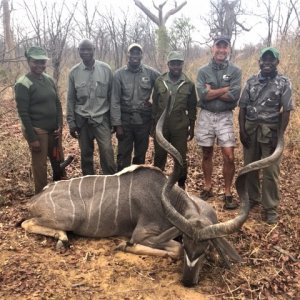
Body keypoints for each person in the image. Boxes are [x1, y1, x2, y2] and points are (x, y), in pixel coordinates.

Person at [238, 47, 294, 224]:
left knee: (270, 171)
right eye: (264, 59)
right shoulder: (251, 81)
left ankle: (270, 207)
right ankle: (253, 199)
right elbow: (243, 108)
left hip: (270, 131)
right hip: (251, 129)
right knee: (250, 166)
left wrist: (280, 135)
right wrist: (242, 130)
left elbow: (286, 111)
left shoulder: (284, 83)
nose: (267, 62)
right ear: (259, 62)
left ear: (277, 62)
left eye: (271, 59)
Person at [195, 35, 242, 209]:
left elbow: (233, 96)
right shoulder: (202, 71)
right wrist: (224, 89)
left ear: (228, 49)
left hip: (224, 116)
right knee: (206, 153)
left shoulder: (235, 71)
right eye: (218, 46)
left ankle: (228, 192)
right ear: (212, 48)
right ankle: (208, 187)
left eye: (225, 47)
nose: (221, 50)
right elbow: (203, 95)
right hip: (206, 115)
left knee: (229, 155)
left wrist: (212, 91)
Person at [14, 46, 64, 194]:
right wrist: (32, 138)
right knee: (40, 166)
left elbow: (57, 103)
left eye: (42, 62)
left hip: (53, 130)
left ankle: (58, 193)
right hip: (38, 130)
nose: (39, 65)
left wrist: (60, 125)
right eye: (36, 62)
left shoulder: (49, 79)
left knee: (58, 161)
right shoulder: (23, 83)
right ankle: (41, 197)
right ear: (29, 61)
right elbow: (23, 113)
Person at [67, 39, 116, 175]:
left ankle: (110, 183)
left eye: (89, 49)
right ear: (78, 51)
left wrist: (114, 121)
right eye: (82, 49)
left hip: (102, 119)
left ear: (94, 50)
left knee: (107, 152)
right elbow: (70, 99)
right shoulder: (74, 72)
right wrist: (71, 122)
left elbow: (112, 97)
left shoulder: (105, 69)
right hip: (82, 119)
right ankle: (89, 186)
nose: (86, 52)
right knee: (86, 155)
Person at [110, 43, 160, 171]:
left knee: (140, 156)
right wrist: (117, 125)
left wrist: (153, 101)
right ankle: (122, 184)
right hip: (125, 120)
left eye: (138, 53)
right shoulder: (119, 75)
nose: (135, 56)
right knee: (123, 155)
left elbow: (163, 84)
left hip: (143, 120)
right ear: (128, 54)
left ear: (141, 55)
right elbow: (114, 101)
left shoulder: (150, 73)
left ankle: (136, 184)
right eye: (132, 53)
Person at [152, 51, 197, 190]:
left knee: (180, 157)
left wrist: (192, 126)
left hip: (179, 125)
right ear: (168, 65)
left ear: (182, 64)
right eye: (173, 64)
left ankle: (181, 185)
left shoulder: (188, 83)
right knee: (159, 156)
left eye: (178, 63)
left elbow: (192, 107)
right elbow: (154, 104)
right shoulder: (160, 81)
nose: (176, 66)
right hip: (161, 126)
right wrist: (152, 126)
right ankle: (157, 186)